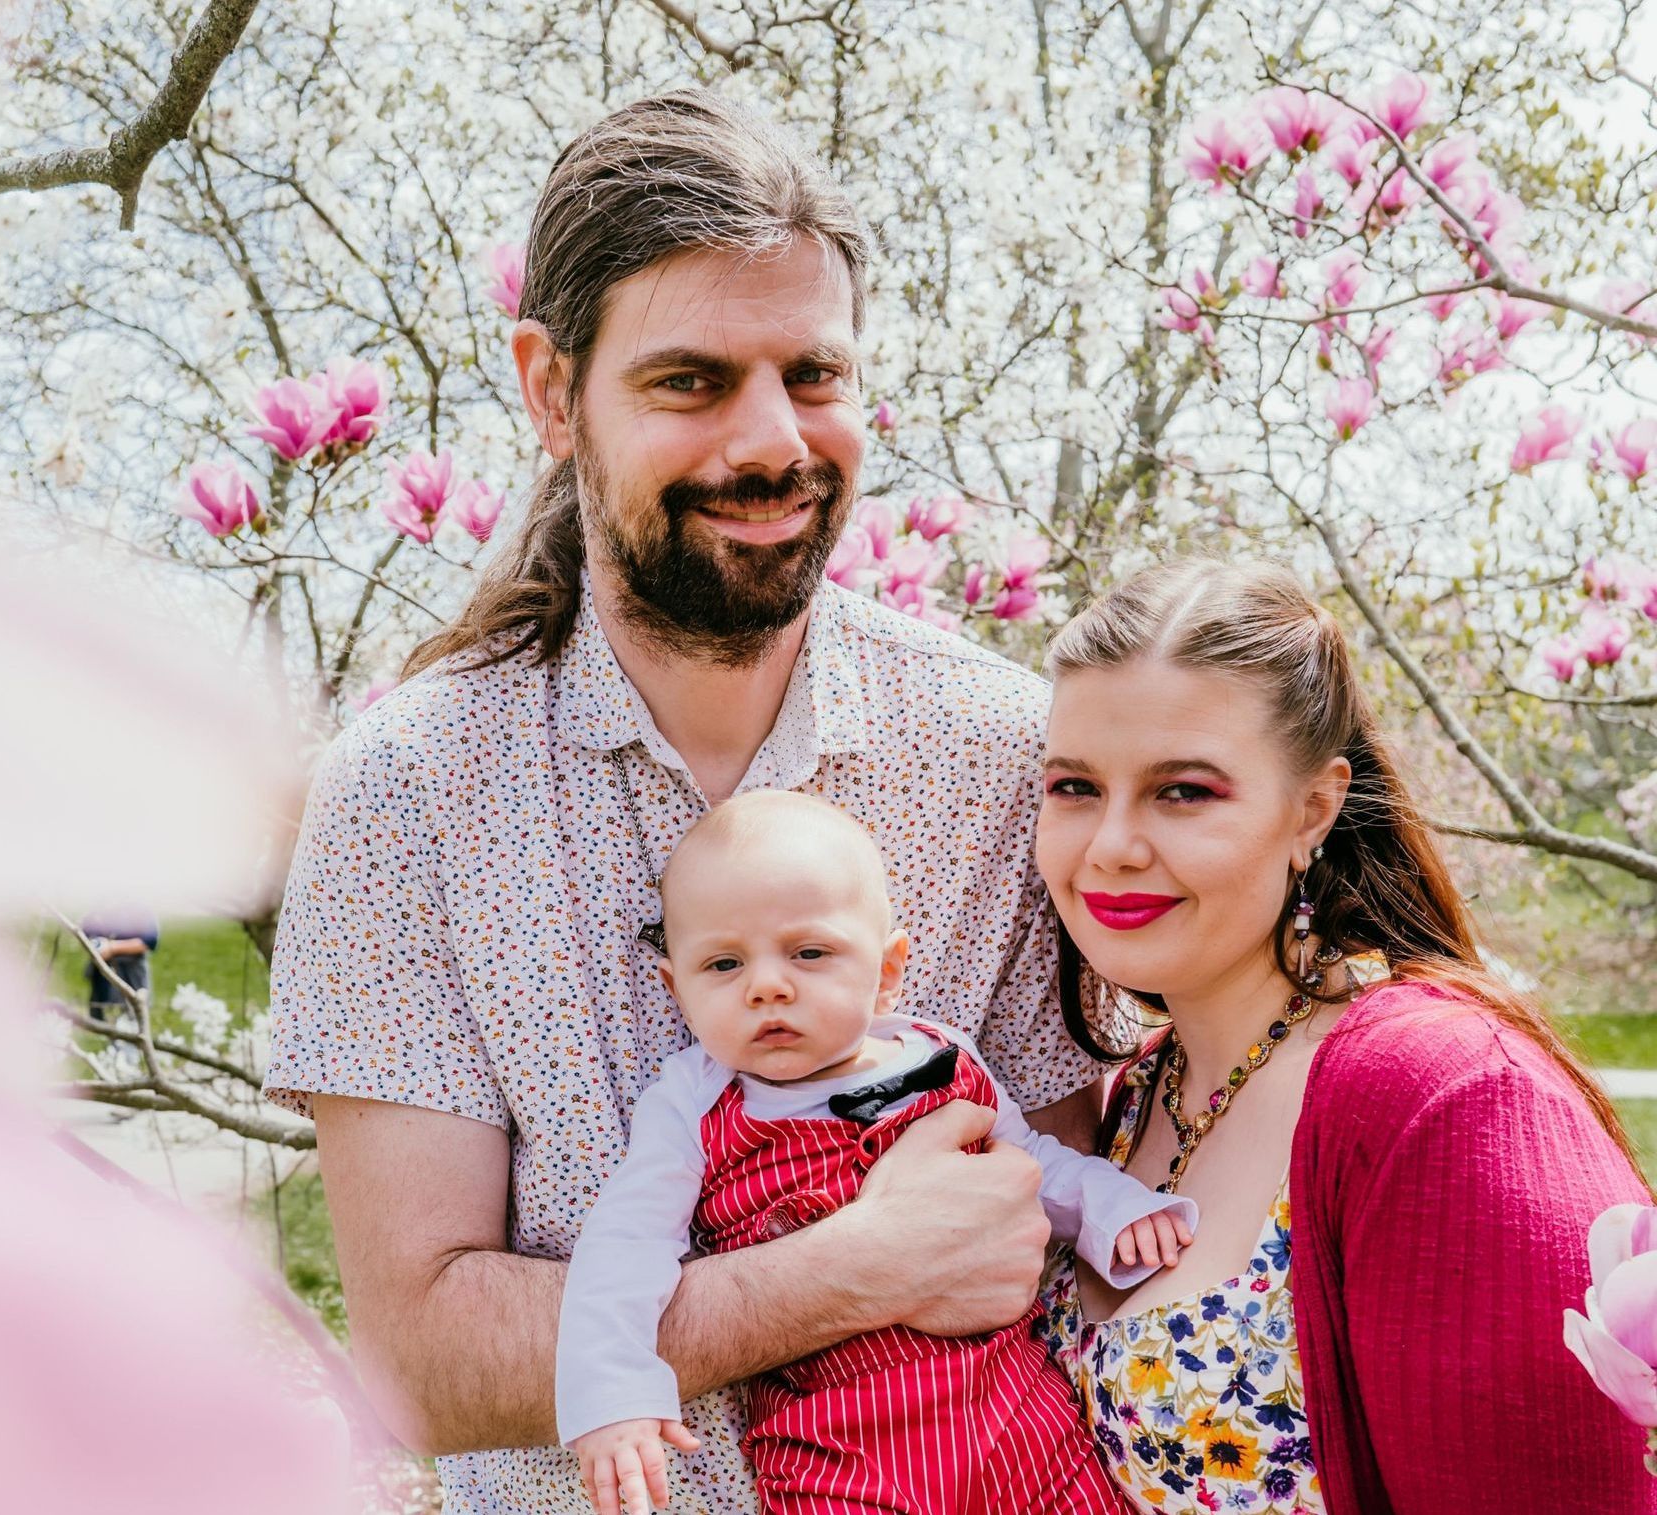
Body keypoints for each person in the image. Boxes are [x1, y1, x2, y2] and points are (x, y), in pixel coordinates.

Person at [263, 90, 1112, 1512]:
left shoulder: (1004, 754)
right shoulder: (403, 796)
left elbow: (1062, 1233)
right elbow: (421, 1350)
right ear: (550, 389)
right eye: (692, 380)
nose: (774, 439)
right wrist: (848, 1270)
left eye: (814, 373)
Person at [1028, 557, 1656, 1512]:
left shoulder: (1442, 1092)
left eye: (1183, 791)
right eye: (1074, 786)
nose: (1110, 843)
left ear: (1312, 809)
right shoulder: (1131, 1099)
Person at [558, 791, 1193, 1515]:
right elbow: (625, 1244)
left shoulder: (939, 1057)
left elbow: (1031, 1170)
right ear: (678, 990)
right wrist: (612, 1386)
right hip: (837, 1453)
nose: (769, 985)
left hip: (1015, 1418)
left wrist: (1117, 1211)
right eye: (725, 964)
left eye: (810, 952)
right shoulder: (691, 1104)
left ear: (888, 969)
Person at [80, 908, 160, 1023]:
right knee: (102, 1018)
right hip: (103, 973)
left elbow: (149, 941)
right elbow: (86, 931)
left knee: (131, 1019)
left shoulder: (140, 905)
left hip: (131, 972)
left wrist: (112, 947)